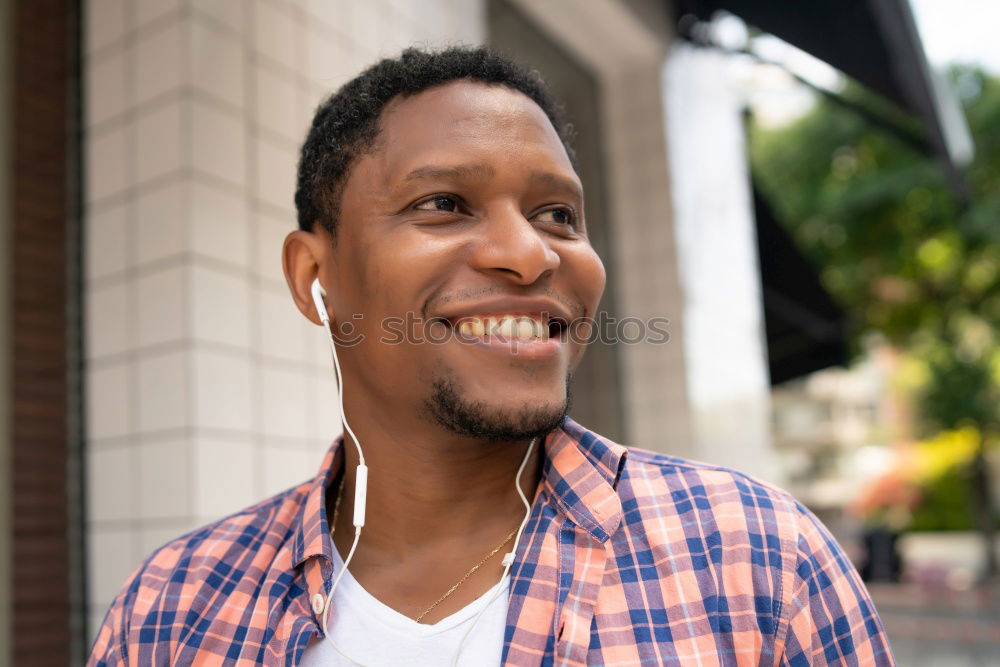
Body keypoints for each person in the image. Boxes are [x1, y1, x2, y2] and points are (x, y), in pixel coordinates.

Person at [88, 46, 894, 666]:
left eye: (556, 213)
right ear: (315, 277)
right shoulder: (173, 610)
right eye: (444, 203)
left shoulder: (756, 560)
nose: (528, 253)